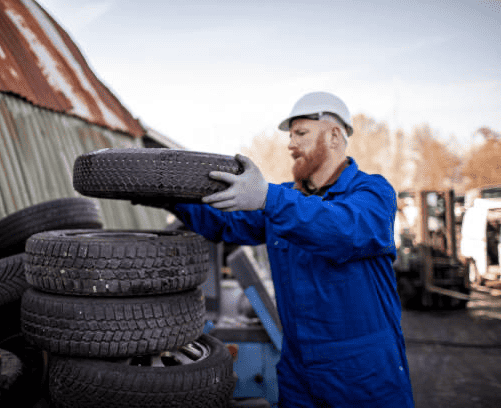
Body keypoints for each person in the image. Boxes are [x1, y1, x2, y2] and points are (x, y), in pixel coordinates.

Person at [165, 92, 415, 407]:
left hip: (363, 375)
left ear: (335, 135)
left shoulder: (372, 193)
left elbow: (342, 230)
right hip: (299, 371)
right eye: (290, 135)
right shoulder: (283, 199)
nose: (290, 144)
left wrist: (269, 198)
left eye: (301, 133)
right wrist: (166, 196)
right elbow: (225, 222)